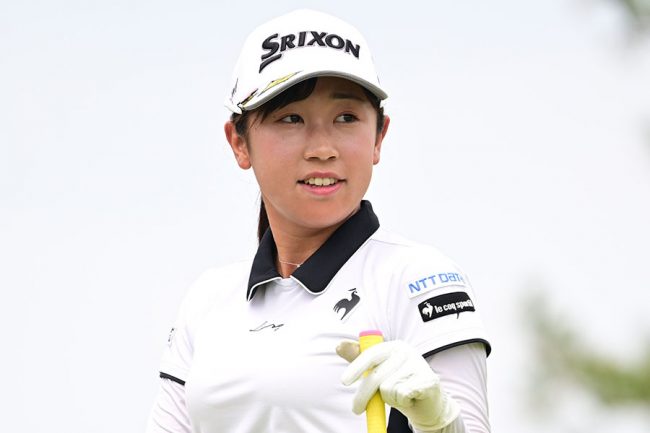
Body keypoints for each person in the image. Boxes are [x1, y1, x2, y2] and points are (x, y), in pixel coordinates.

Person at [146, 9, 491, 433]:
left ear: (379, 136)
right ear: (239, 143)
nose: (323, 148)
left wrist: (439, 423)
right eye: (291, 118)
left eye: (346, 118)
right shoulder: (208, 300)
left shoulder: (420, 280)